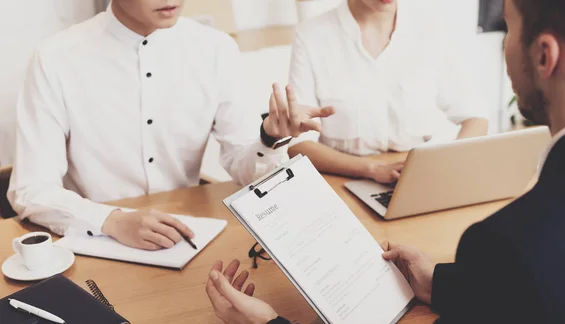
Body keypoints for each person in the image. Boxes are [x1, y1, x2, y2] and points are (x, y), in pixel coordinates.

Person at [206, 0, 565, 324]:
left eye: (509, 29)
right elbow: (535, 299)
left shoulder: (509, 244)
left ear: (545, 55)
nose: (503, 48)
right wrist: (441, 284)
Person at [7, 0, 333, 250]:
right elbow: (31, 189)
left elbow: (245, 170)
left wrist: (270, 139)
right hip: (95, 241)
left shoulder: (215, 49)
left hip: (186, 238)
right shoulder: (55, 58)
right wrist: (111, 221)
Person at [287, 0, 489, 184]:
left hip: (415, 178)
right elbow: (299, 145)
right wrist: (372, 169)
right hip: (341, 180)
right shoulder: (312, 36)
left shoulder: (430, 28)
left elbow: (476, 118)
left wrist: (447, 164)